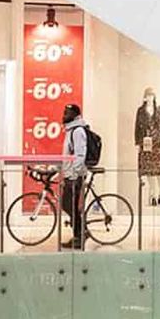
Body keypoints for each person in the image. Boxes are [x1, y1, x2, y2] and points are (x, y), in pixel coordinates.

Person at [61, 102, 88, 250]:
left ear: (75, 115)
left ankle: (80, 234)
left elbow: (80, 154)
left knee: (68, 204)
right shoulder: (70, 131)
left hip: (75, 176)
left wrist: (75, 174)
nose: (64, 115)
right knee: (70, 205)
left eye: (67, 113)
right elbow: (68, 155)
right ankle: (80, 233)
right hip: (71, 174)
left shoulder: (78, 131)